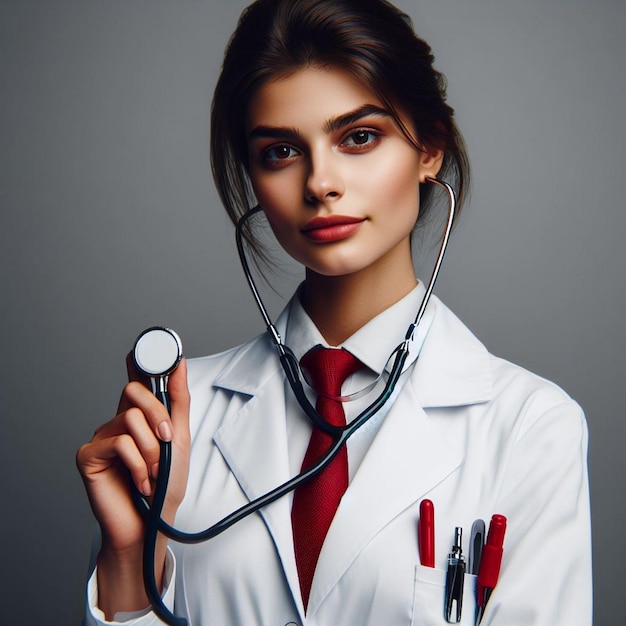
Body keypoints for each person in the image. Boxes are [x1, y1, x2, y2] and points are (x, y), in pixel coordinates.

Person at [77, 0, 592, 624]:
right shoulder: (183, 419)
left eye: (359, 137)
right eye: (281, 152)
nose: (320, 182)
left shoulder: (529, 427)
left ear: (429, 148)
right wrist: (133, 556)